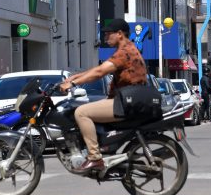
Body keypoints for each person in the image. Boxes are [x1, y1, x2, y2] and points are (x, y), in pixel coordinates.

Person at [58, 18, 148, 174]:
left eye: (108, 34)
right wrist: (74, 77)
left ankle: (94, 158)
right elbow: (100, 68)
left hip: (125, 103)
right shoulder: (127, 49)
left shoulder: (124, 52)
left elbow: (100, 73)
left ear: (120, 34)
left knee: (81, 112)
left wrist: (72, 84)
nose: (106, 37)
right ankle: (101, 148)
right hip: (125, 100)